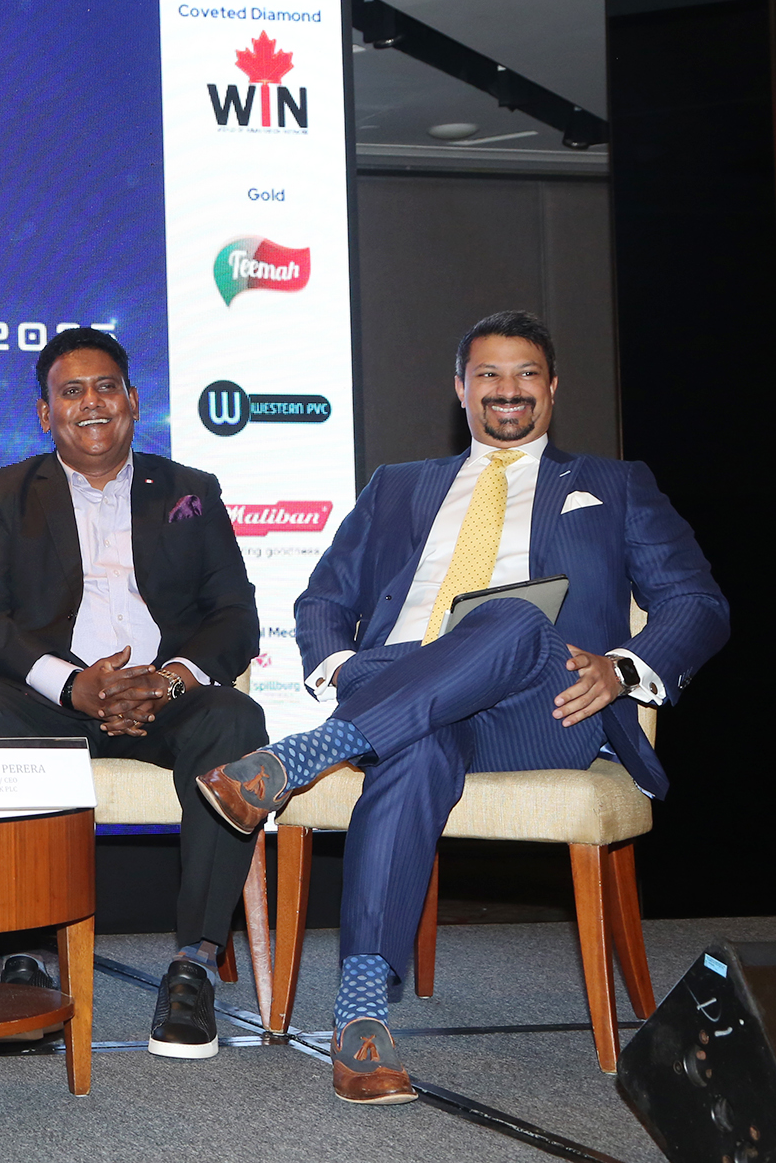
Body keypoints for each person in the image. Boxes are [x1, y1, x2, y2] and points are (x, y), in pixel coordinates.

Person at [197, 311, 728, 1103]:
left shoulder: (615, 485)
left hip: (545, 703)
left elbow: (697, 603)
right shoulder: (398, 485)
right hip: (403, 697)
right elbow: (324, 601)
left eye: (525, 374)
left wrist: (623, 670)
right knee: (417, 745)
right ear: (460, 388)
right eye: (488, 375)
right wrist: (345, 668)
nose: (507, 390)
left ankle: (300, 758)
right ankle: (361, 1017)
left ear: (553, 387)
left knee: (514, 616)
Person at [0, 326, 266, 1060]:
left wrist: (167, 679)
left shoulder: (190, 491)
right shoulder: (3, 494)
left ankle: (192, 964)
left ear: (133, 400)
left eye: (106, 387)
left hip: (164, 696)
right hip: (48, 697)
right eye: (71, 391)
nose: (91, 404)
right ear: (44, 412)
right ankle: (22, 959)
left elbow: (234, 616)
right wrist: (73, 686)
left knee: (236, 720)